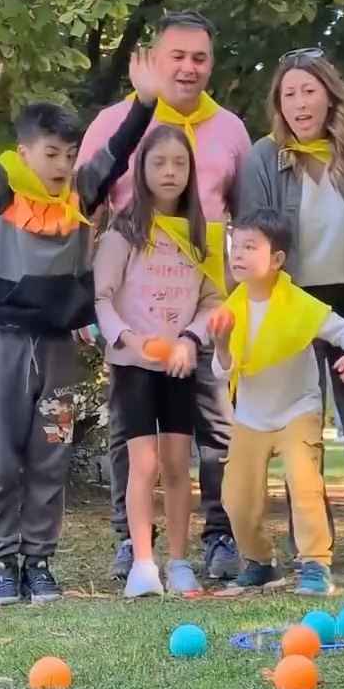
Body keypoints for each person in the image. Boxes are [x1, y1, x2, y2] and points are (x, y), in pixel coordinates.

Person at [0, 44, 159, 605]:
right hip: (3, 347)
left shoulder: (81, 194)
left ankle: (38, 560)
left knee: (51, 452)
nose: (62, 165)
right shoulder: (2, 193)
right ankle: (2, 561)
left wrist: (143, 102)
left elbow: (118, 152)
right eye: (51, 153)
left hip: (59, 353)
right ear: (24, 152)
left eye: (69, 154)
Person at [77, 10, 251, 584]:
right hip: (134, 320)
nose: (188, 67)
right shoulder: (111, 121)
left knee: (213, 432)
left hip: (205, 307)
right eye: (177, 55)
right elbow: (85, 206)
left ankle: (217, 537)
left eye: (199, 57)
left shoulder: (229, 129)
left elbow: (245, 217)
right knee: (135, 440)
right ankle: (134, 545)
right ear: (153, 58)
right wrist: (90, 308)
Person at [237, 49, 344, 565]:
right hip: (291, 305)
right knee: (299, 428)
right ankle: (311, 547)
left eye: (308, 90)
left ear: (329, 93)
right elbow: (253, 236)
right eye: (288, 94)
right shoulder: (264, 158)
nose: (299, 103)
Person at [211, 209, 344, 595]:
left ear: (277, 259)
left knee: (304, 486)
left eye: (251, 246)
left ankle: (315, 564)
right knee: (236, 498)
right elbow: (222, 372)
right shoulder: (230, 309)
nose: (239, 254)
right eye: (236, 245)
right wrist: (220, 342)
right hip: (250, 417)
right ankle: (260, 561)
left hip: (298, 411)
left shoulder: (299, 305)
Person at [93, 125, 222, 598]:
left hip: (179, 367)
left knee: (174, 465)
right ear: (142, 170)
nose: (170, 172)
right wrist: (128, 339)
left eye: (179, 163)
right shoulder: (123, 233)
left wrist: (190, 338)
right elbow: (102, 300)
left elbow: (212, 301)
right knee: (142, 465)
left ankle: (180, 561)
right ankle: (143, 563)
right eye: (159, 163)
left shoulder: (199, 236)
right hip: (133, 367)